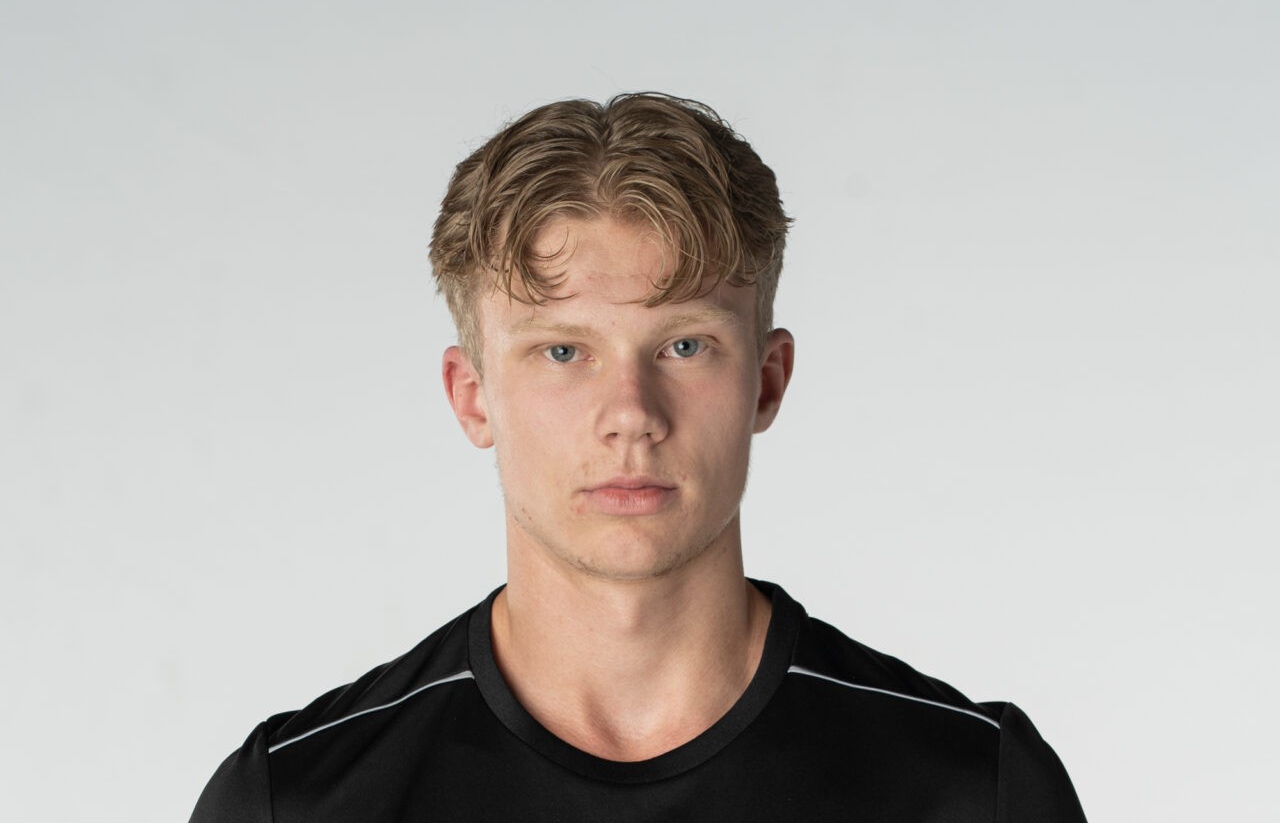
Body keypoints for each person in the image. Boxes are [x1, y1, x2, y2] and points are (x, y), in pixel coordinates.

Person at [190, 93, 1087, 822]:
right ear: (471, 396)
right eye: (563, 351)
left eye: (685, 345)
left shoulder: (974, 789)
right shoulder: (296, 800)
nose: (630, 414)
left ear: (767, 381)